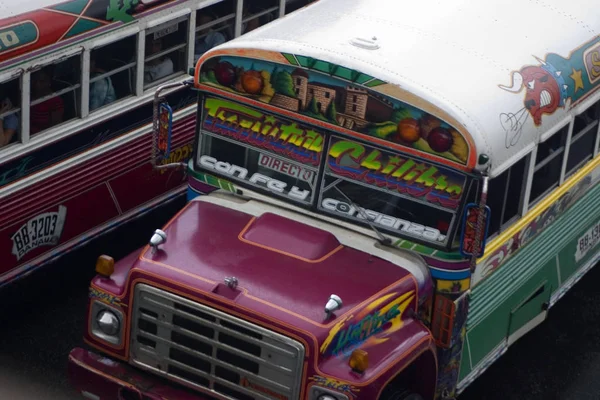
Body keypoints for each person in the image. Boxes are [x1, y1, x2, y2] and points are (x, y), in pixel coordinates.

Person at [30, 69, 64, 134]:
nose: (37, 84)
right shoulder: (30, 96)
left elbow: (56, 125)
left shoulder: (55, 101)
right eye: (35, 81)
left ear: (48, 82)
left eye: (41, 81)